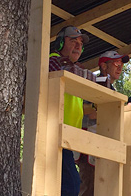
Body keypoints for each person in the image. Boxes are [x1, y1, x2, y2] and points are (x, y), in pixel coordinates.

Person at [77, 51, 129, 196]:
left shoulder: (111, 89)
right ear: (103, 66)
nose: (120, 68)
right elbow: (86, 114)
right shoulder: (94, 83)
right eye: (116, 64)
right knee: (89, 188)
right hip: (89, 146)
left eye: (122, 65)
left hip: (105, 147)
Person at [49, 26, 92, 196]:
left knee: (64, 185)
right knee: (71, 184)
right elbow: (65, 71)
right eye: (73, 41)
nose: (78, 46)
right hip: (54, 133)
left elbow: (97, 83)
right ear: (60, 43)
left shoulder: (76, 68)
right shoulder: (54, 60)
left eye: (80, 43)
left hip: (66, 137)